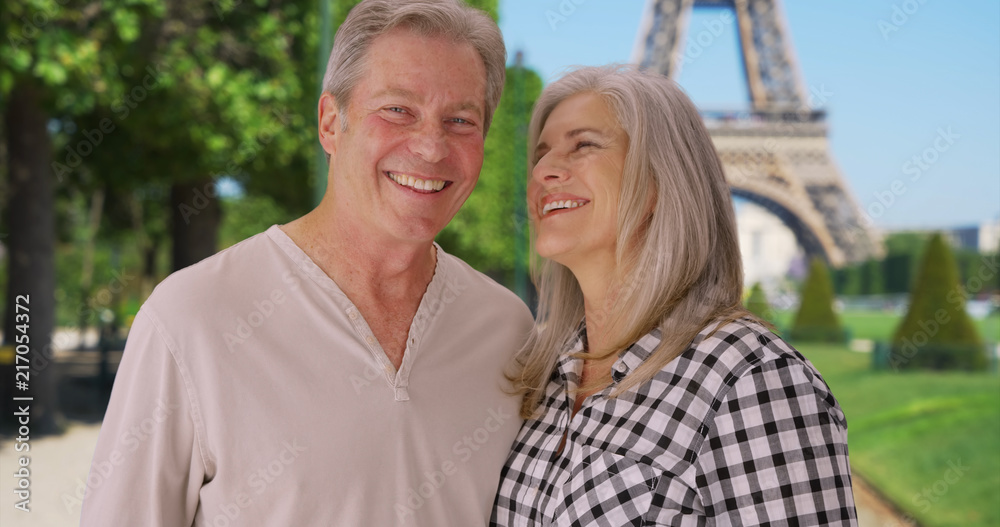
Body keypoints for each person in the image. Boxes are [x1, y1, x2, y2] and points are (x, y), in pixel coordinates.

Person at [81, 1, 533, 525]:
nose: (431, 147)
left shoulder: (506, 329)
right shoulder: (191, 318)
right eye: (397, 110)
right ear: (329, 123)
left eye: (460, 120)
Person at [491, 65, 858, 526]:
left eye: (583, 145)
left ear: (659, 180)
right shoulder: (544, 375)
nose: (544, 170)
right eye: (540, 153)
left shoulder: (751, 381)